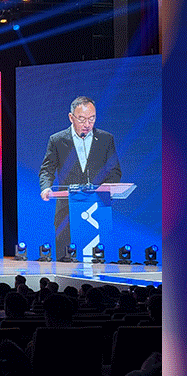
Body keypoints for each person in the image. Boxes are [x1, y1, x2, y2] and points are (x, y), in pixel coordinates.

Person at [39, 96, 122, 259]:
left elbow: (114, 171)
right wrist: (46, 187)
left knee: (99, 259)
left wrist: (105, 188)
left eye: (92, 118)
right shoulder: (57, 140)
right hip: (67, 210)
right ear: (71, 117)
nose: (87, 124)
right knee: (66, 259)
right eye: (82, 119)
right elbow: (47, 169)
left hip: (97, 207)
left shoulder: (106, 139)